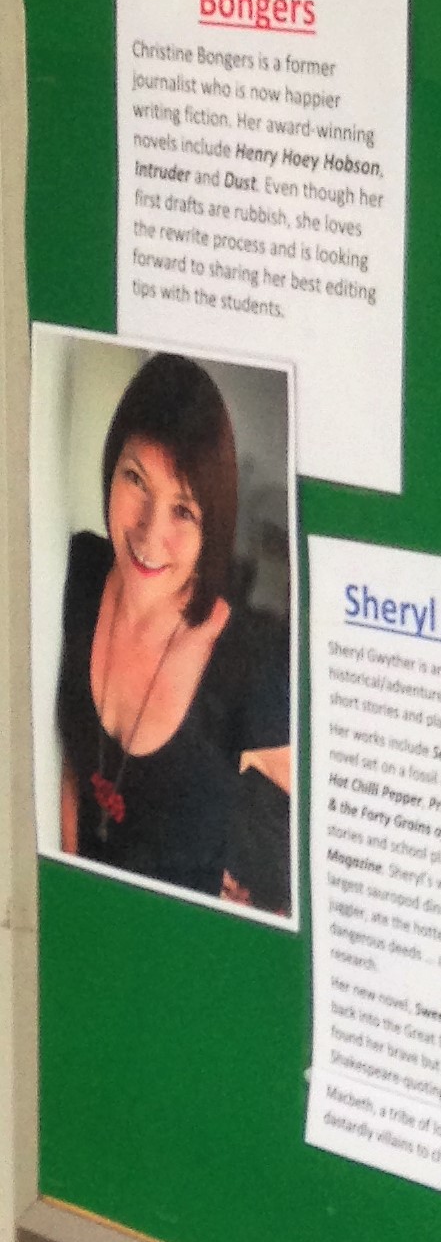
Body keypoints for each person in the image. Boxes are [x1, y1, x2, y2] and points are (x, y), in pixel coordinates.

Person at [56, 353, 290, 910]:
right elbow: (70, 760)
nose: (148, 533)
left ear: (213, 526)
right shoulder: (78, 571)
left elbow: (328, 818)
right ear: (111, 467)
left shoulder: (248, 665)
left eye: (183, 510)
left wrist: (269, 907)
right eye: (136, 479)